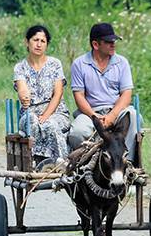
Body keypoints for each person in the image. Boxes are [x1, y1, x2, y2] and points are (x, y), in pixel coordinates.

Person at [68, 22, 141, 160]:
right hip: (90, 113)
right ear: (95, 44)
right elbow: (79, 96)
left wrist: (112, 116)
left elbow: (126, 94)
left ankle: (127, 162)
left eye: (114, 41)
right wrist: (95, 117)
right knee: (77, 132)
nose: (113, 44)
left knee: (133, 115)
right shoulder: (79, 64)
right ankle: (86, 166)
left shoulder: (122, 62)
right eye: (108, 42)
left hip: (116, 111)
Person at [13, 25, 70, 162]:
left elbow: (58, 93)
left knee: (50, 124)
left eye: (42, 41)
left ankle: (61, 162)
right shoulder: (20, 67)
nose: (38, 44)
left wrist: (46, 115)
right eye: (35, 40)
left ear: (47, 44)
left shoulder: (55, 64)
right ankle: (34, 162)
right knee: (32, 122)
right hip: (30, 113)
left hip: (55, 111)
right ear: (27, 42)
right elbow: (21, 88)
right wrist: (24, 95)